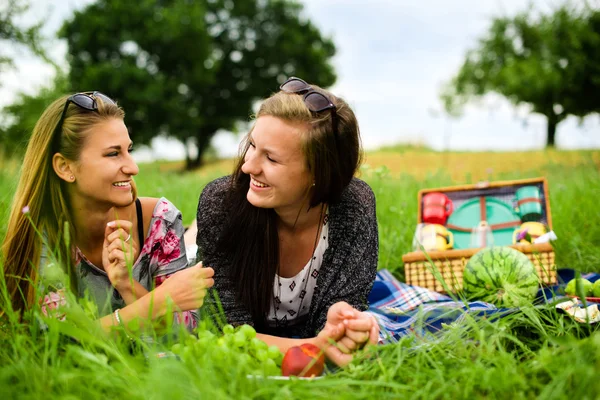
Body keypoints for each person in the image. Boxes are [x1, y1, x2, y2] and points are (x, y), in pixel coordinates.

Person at [196, 77, 379, 365]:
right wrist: (315, 345)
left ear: (319, 173)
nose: (248, 166)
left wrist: (345, 322)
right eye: (252, 146)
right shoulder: (220, 203)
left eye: (271, 159)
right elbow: (225, 331)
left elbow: (339, 319)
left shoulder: (354, 207)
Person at [1, 91, 214, 334]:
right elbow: (59, 340)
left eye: (128, 151)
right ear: (64, 167)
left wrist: (126, 284)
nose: (133, 168)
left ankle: (192, 230)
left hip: (182, 247)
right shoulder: (40, 233)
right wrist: (159, 301)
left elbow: (184, 333)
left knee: (194, 240)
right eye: (113, 154)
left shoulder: (159, 220)